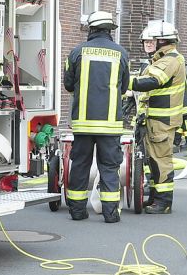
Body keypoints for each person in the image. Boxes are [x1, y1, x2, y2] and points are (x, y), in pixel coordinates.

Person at [63, 11, 130, 223]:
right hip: (109, 125)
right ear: (110, 30)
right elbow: (125, 87)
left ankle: (77, 212)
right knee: (109, 167)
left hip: (83, 124)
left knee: (80, 164)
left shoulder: (76, 53)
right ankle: (110, 214)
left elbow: (67, 84)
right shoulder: (121, 53)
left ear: (91, 29)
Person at [129, 20, 187, 214]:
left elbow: (152, 81)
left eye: (150, 42)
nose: (147, 45)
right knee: (153, 161)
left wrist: (122, 80)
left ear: (163, 41)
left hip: (162, 121)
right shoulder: (161, 60)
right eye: (145, 42)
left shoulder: (170, 60)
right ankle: (155, 198)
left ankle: (163, 202)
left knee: (161, 160)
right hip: (155, 120)